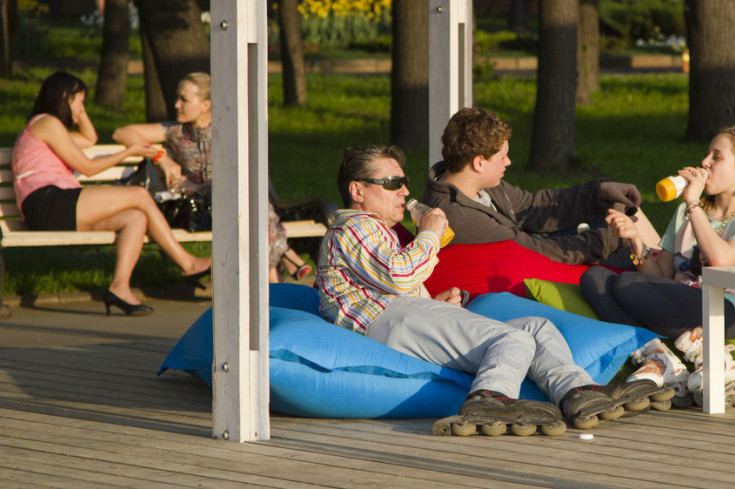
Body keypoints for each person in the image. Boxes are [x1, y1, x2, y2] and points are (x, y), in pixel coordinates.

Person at [315, 144, 673, 433]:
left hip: (400, 316)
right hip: (384, 321)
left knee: (536, 327)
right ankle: (488, 398)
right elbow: (399, 276)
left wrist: (434, 301)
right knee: (511, 340)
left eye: (404, 181)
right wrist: (430, 232)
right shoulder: (354, 227)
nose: (405, 190)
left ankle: (577, 391)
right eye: (392, 183)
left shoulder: (376, 231)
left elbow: (392, 282)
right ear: (357, 190)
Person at [580, 125, 735, 408]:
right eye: (707, 154)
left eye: (716, 157)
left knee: (625, 284)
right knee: (595, 277)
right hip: (678, 300)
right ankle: (659, 358)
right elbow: (660, 275)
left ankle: (706, 355)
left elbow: (721, 259)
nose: (705, 162)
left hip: (725, 309)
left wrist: (693, 205)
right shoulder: (685, 212)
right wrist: (635, 239)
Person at [11, 71, 212, 316]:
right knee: (138, 195)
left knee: (135, 218)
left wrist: (78, 109)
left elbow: (89, 138)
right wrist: (128, 153)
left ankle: (119, 288)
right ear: (65, 97)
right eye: (80, 101)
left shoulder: (51, 127)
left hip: (54, 204)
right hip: (46, 201)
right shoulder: (46, 123)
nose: (82, 108)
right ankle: (187, 262)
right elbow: (88, 167)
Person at [112, 72, 310, 284]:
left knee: (246, 200)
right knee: (248, 204)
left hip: (232, 204)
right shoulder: (175, 131)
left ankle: (276, 279)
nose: (176, 105)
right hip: (197, 210)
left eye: (184, 100)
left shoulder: (228, 130)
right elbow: (121, 133)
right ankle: (284, 259)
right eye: (178, 98)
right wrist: (162, 158)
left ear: (205, 105)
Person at [422, 107, 661, 265]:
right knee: (627, 233)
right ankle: (668, 277)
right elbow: (533, 252)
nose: (509, 162)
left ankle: (666, 270)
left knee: (622, 208)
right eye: (502, 157)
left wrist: (600, 192)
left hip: (536, 248)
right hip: (531, 271)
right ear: (479, 162)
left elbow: (533, 207)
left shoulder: (479, 183)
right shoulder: (458, 215)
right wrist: (609, 240)